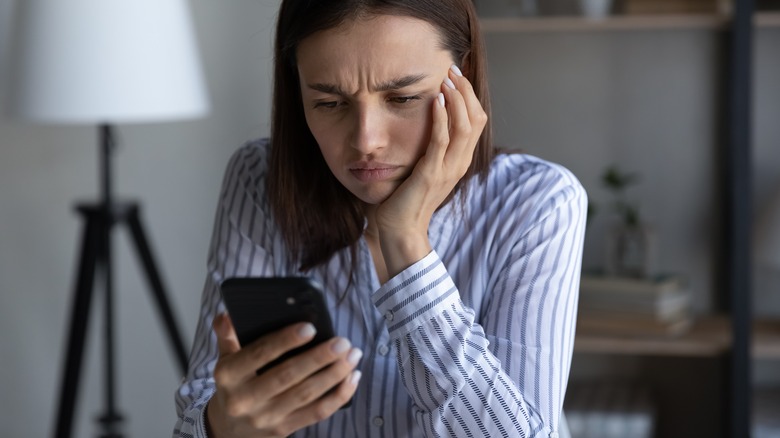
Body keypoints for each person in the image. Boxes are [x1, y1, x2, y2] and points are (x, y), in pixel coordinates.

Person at [173, 0, 587, 437]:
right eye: (329, 103)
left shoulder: (538, 203)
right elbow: (193, 419)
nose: (366, 141)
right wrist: (221, 425)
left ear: (463, 79)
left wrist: (404, 239)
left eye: (403, 98)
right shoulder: (259, 180)